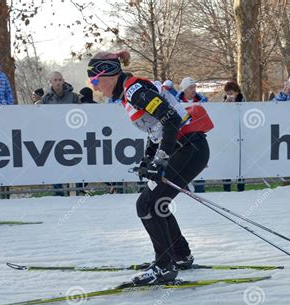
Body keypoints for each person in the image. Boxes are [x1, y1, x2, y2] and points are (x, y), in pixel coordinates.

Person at [87, 50, 212, 285]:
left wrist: (161, 158)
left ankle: (164, 266)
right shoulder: (128, 93)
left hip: (189, 148)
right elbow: (156, 130)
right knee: (156, 201)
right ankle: (179, 255)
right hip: (187, 148)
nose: (94, 87)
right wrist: (149, 158)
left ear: (109, 75)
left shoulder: (134, 90)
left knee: (146, 204)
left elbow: (171, 119)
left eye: (94, 81)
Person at [40, 71, 80, 196]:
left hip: (72, 136)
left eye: (60, 80)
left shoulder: (74, 97)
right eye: (55, 80)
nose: (58, 82)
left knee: (75, 163)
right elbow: (42, 118)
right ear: (50, 82)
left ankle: (78, 191)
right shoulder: (46, 98)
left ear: (63, 81)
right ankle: (58, 192)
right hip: (54, 136)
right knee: (55, 164)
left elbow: (81, 114)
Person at [222, 80, 245, 192]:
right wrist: (227, 103)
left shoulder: (243, 101)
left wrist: (236, 103)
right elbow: (221, 115)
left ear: (237, 92)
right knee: (226, 161)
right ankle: (226, 188)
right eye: (228, 93)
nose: (230, 95)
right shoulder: (224, 101)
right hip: (228, 136)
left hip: (241, 136)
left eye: (232, 92)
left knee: (241, 161)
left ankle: (241, 187)